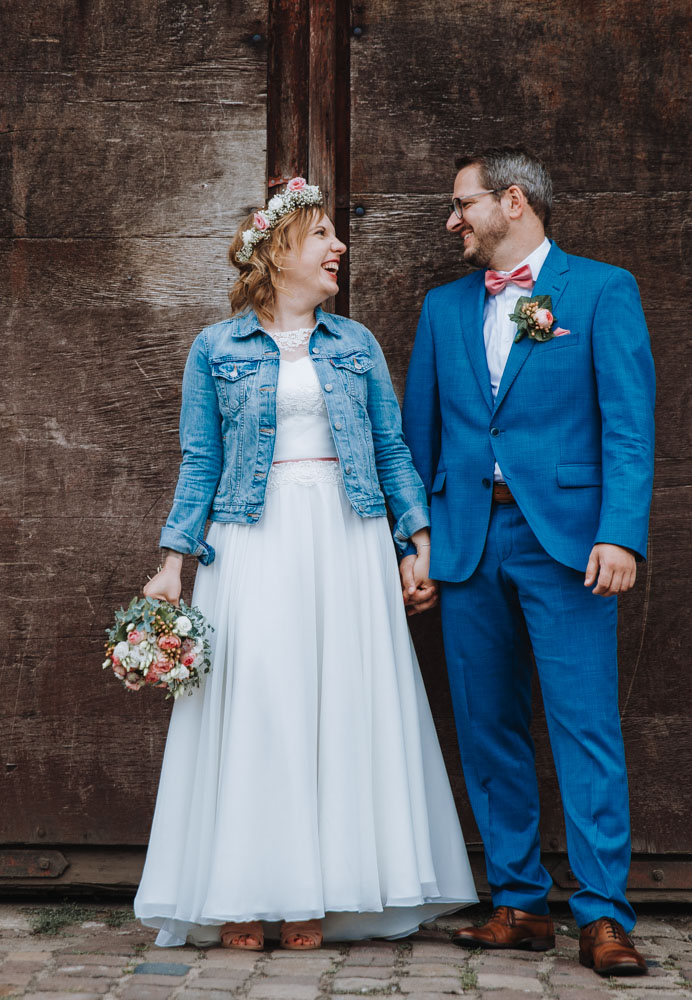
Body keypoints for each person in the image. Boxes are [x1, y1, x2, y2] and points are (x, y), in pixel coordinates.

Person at [133, 178, 477, 950]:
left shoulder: (356, 344)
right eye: (322, 234)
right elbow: (200, 460)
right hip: (252, 539)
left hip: (346, 536)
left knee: (338, 706)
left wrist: (416, 540)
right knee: (260, 707)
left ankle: (315, 895)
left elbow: (390, 448)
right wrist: (172, 563)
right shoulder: (215, 348)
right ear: (278, 251)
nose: (337, 247)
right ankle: (244, 893)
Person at [401, 147, 655, 976]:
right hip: (469, 542)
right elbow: (417, 439)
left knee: (586, 725)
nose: (453, 221)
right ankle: (517, 902)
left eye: (462, 204)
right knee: (487, 727)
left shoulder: (602, 291)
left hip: (570, 546)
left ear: (513, 201)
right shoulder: (443, 309)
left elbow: (629, 424)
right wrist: (416, 543)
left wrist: (620, 532)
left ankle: (603, 915)